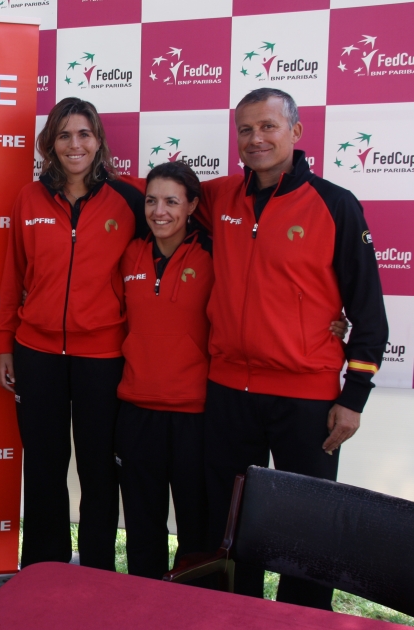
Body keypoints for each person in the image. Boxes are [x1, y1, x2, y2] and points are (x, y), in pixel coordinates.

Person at [197, 87, 389, 608]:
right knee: (231, 522)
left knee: (308, 528)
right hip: (228, 392)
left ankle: (306, 621)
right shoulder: (218, 199)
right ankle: (234, 614)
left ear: (296, 132)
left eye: (268, 127)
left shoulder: (335, 205)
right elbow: (158, 195)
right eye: (245, 129)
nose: (255, 139)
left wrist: (355, 397)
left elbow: (370, 315)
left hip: (307, 398)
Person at [0, 97, 148, 570]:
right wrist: (4, 343)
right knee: (43, 468)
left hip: (103, 357)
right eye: (64, 135)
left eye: (83, 134)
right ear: (50, 144)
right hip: (36, 352)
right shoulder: (29, 198)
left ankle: (98, 569)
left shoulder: (130, 200)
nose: (74, 144)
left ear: (98, 140)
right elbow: (12, 276)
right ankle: (43, 568)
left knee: (99, 470)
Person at [114, 162, 212, 580]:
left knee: (197, 527)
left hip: (195, 413)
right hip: (136, 410)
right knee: (142, 525)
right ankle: (143, 608)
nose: (160, 211)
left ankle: (195, 613)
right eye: (151, 200)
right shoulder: (129, 252)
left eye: (172, 201)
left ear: (192, 205)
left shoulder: (214, 254)